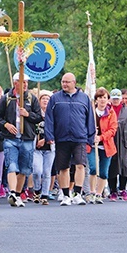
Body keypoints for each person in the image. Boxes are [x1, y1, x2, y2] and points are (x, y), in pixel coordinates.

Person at [44, 73, 95, 206]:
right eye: (63, 82)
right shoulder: (55, 99)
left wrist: (90, 136)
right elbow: (49, 118)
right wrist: (49, 135)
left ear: (74, 82)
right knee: (63, 167)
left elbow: (90, 119)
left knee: (80, 165)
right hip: (61, 138)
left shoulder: (84, 98)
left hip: (80, 137)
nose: (64, 84)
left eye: (67, 82)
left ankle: (78, 193)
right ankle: (66, 194)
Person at [0, 72, 43, 207]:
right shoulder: (7, 98)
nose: (25, 85)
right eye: (23, 82)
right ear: (15, 83)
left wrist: (28, 114)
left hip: (27, 137)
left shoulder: (32, 99)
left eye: (27, 82)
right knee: (12, 165)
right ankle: (12, 192)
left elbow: (39, 117)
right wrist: (6, 125)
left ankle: (17, 193)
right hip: (11, 138)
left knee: (25, 169)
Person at [86, 88, 118, 204]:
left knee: (104, 172)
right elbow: (84, 126)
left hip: (106, 145)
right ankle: (92, 191)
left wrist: (101, 137)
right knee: (93, 168)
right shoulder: (91, 113)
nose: (102, 100)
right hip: (92, 145)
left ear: (107, 99)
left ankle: (99, 193)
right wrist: (91, 133)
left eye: (105, 97)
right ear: (96, 100)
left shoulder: (110, 113)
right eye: (100, 98)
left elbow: (113, 129)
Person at [32, 90, 55, 205]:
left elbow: (57, 130)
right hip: (36, 148)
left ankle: (44, 194)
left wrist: (45, 139)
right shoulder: (35, 114)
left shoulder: (54, 115)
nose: (46, 100)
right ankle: (37, 190)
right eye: (43, 98)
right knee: (37, 171)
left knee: (47, 172)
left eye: (48, 98)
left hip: (49, 147)